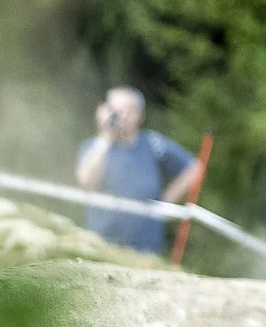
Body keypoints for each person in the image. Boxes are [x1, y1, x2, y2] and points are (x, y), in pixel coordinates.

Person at [75, 87, 201, 255]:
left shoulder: (153, 144)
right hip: (101, 243)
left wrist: (167, 200)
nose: (121, 115)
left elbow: (194, 167)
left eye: (127, 109)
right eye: (115, 109)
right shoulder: (94, 147)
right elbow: (86, 181)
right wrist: (105, 137)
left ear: (140, 115)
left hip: (146, 248)